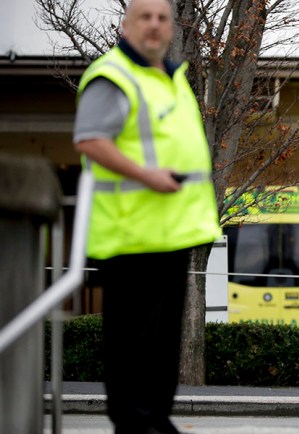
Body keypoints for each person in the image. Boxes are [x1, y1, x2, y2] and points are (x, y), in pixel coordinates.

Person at [72, 0, 221, 432]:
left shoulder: (168, 78)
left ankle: (155, 418)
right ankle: (135, 423)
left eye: (162, 18)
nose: (154, 26)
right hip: (131, 233)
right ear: (126, 24)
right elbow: (90, 140)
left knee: (161, 345)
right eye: (145, 17)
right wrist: (146, 175)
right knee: (132, 344)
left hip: (170, 234)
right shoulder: (114, 75)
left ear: (172, 28)